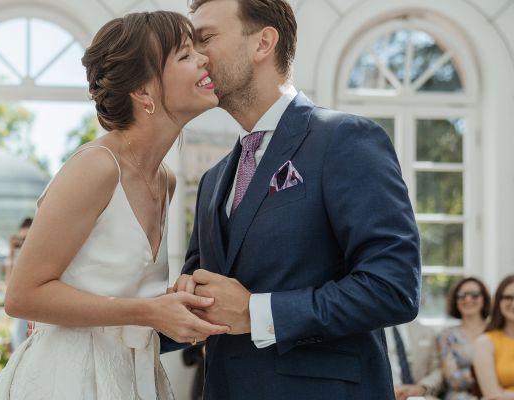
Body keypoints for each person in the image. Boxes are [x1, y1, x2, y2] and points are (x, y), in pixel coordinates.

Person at [164, 1, 421, 398]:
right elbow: (200, 305)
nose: (196, 57)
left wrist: (256, 313)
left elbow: (394, 288)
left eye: (206, 39)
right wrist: (103, 322)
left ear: (263, 42)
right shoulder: (214, 180)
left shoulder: (345, 139)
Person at [0, 10, 226, 399]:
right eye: (185, 55)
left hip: (133, 376)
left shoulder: (164, 178)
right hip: (66, 380)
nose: (203, 59)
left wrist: (173, 300)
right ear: (143, 92)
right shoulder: (97, 167)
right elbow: (22, 296)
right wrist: (149, 311)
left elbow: (109, 281)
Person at [438, 277, 490, 400]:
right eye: (461, 295)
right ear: (455, 300)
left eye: (475, 295)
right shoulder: (446, 336)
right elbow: (452, 379)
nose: (468, 299)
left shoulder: (496, 331)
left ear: (484, 299)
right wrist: (489, 375)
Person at [473, 275, 514, 399]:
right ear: (498, 302)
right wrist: (499, 395)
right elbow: (492, 396)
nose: (513, 303)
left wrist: (505, 394)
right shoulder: (485, 342)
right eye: (508, 297)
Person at [384, 320, 443, 400]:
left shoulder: (426, 331)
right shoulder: (368, 332)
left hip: (418, 395)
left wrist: (422, 388)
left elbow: (438, 369)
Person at [5, 217, 32, 350]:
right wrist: (11, 252)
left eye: (27, 238)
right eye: (21, 240)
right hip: (22, 315)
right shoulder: (20, 261)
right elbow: (8, 286)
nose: (23, 243)